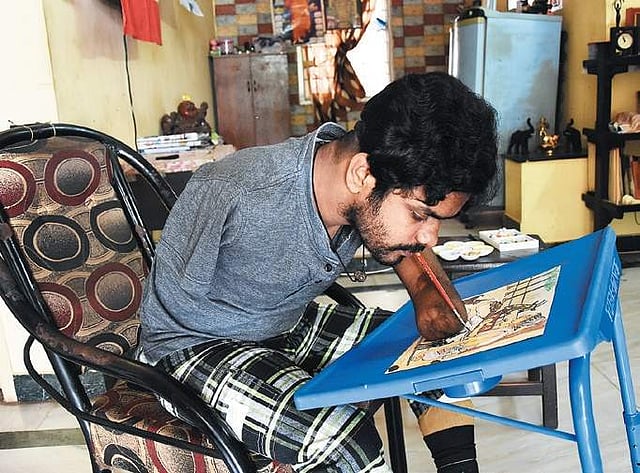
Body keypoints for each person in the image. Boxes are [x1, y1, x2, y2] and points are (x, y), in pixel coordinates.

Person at [139, 72, 498, 473]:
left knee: (434, 354)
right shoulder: (235, 190)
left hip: (285, 324)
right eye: (419, 215)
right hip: (192, 344)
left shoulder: (356, 182)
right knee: (346, 442)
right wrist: (277, 373)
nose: (430, 237)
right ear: (362, 174)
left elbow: (405, 246)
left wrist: (429, 295)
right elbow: (168, 308)